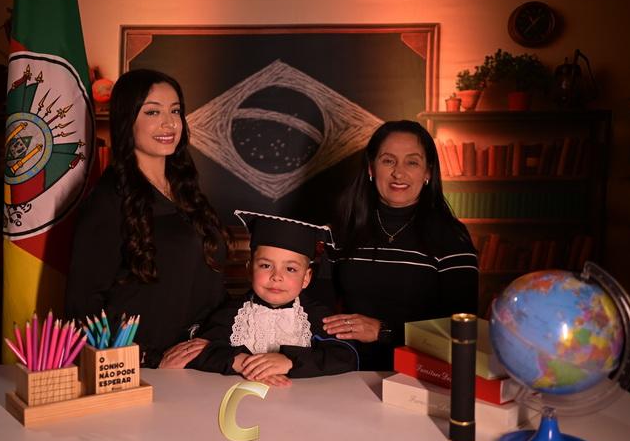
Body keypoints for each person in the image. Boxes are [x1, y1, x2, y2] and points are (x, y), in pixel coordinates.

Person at [64, 69, 227, 368]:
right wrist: (146, 359)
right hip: (146, 368)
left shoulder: (187, 190)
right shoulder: (108, 200)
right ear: (127, 120)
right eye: (153, 112)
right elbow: (84, 302)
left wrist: (213, 341)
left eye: (175, 111)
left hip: (202, 359)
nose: (169, 123)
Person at [321, 120, 478, 370]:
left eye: (412, 162)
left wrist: (384, 331)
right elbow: (319, 306)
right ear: (371, 168)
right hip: (343, 368)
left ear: (428, 172)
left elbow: (461, 328)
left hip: (418, 374)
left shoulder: (451, 237)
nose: (399, 173)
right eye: (388, 160)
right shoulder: (342, 230)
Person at [189, 211, 358, 386]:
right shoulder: (230, 314)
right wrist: (244, 362)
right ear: (250, 270)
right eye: (265, 265)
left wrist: (290, 362)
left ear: (306, 278)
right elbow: (198, 352)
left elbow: (345, 356)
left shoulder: (318, 316)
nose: (277, 276)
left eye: (290, 269)